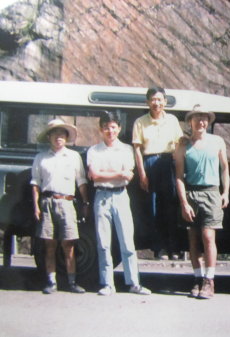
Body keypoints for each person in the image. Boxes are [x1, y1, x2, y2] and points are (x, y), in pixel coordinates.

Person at [87, 111, 151, 296]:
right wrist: (117, 174)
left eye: (113, 127)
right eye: (106, 127)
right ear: (101, 129)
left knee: (127, 242)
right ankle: (107, 284)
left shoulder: (126, 150)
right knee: (103, 243)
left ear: (119, 129)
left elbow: (128, 175)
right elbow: (95, 175)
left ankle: (134, 283)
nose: (110, 130)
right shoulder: (93, 150)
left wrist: (110, 173)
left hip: (121, 196)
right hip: (101, 196)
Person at [174, 104, 229, 299]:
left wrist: (226, 192)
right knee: (194, 239)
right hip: (191, 193)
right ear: (190, 121)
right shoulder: (183, 145)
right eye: (197, 118)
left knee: (208, 237)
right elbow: (179, 176)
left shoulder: (217, 141)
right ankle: (197, 279)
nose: (201, 121)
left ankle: (209, 280)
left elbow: (225, 168)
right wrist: (184, 203)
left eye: (204, 118)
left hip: (212, 192)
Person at [31, 119, 89, 294]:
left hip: (67, 203)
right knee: (49, 245)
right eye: (55, 133)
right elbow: (35, 183)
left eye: (62, 133)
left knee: (69, 244)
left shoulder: (74, 157)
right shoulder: (40, 158)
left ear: (66, 137)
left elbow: (81, 181)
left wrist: (85, 202)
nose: (59, 137)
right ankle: (51, 282)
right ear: (49, 137)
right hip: (47, 202)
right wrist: (36, 205)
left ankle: (72, 282)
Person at [132, 86, 184, 260]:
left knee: (171, 206)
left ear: (165, 102)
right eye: (153, 100)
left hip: (168, 162)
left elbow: (178, 146)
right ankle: (158, 248)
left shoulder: (173, 120)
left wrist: (177, 168)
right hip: (150, 162)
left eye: (159, 100)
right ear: (148, 102)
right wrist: (142, 174)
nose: (156, 103)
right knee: (153, 208)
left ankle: (173, 247)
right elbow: (137, 150)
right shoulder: (140, 122)